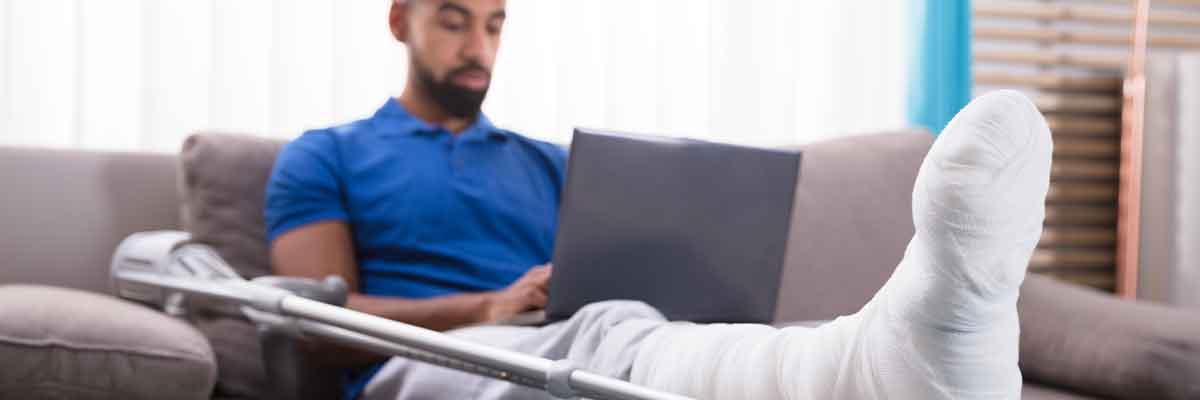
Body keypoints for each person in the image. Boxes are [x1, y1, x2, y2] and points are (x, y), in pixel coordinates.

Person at [267, 0, 1053, 399]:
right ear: (400, 19)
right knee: (608, 329)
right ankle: (868, 371)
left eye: (497, 25)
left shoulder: (546, 162)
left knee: (623, 325)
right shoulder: (326, 155)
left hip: (565, 346)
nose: (480, 49)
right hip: (430, 369)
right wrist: (488, 308)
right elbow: (317, 328)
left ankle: (864, 365)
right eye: (455, 22)